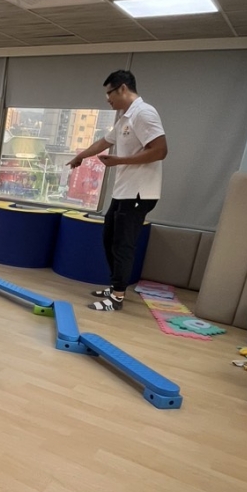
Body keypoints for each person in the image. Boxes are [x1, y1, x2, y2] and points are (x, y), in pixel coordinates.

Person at [68, 69, 167, 312]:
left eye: (109, 93)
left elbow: (160, 150)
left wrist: (120, 161)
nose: (107, 99)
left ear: (122, 88)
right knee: (109, 239)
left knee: (122, 244)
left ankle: (117, 298)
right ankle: (115, 287)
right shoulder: (125, 117)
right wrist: (81, 156)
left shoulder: (144, 113)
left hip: (139, 193)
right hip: (124, 192)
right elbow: (104, 142)